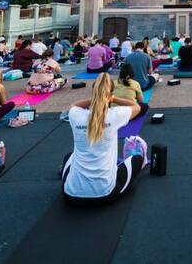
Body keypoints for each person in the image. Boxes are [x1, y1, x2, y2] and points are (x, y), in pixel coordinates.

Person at [61, 73, 145, 205]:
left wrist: (95, 98)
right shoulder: (114, 115)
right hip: (105, 194)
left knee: (68, 157)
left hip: (71, 195)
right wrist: (113, 98)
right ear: (110, 93)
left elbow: (74, 105)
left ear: (94, 92)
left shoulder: (76, 114)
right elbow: (137, 107)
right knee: (137, 159)